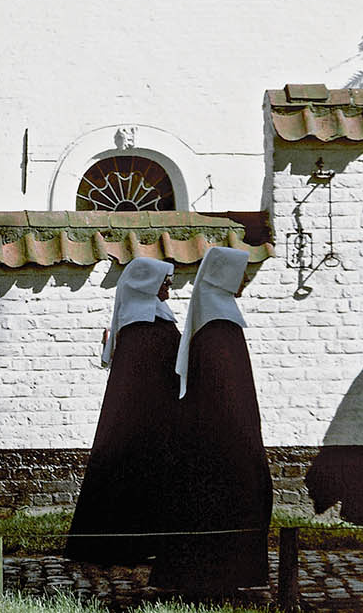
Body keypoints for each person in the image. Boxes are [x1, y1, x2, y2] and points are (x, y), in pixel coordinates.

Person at [149, 246, 271, 597]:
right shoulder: (218, 327)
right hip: (226, 441)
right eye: (240, 273)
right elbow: (227, 394)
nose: (244, 279)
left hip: (221, 437)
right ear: (224, 278)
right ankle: (218, 578)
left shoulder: (219, 321)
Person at [64, 256, 180, 564]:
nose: (168, 290)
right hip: (150, 422)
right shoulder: (149, 325)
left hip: (139, 420)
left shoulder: (136, 323)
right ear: (148, 286)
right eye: (165, 284)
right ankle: (136, 545)